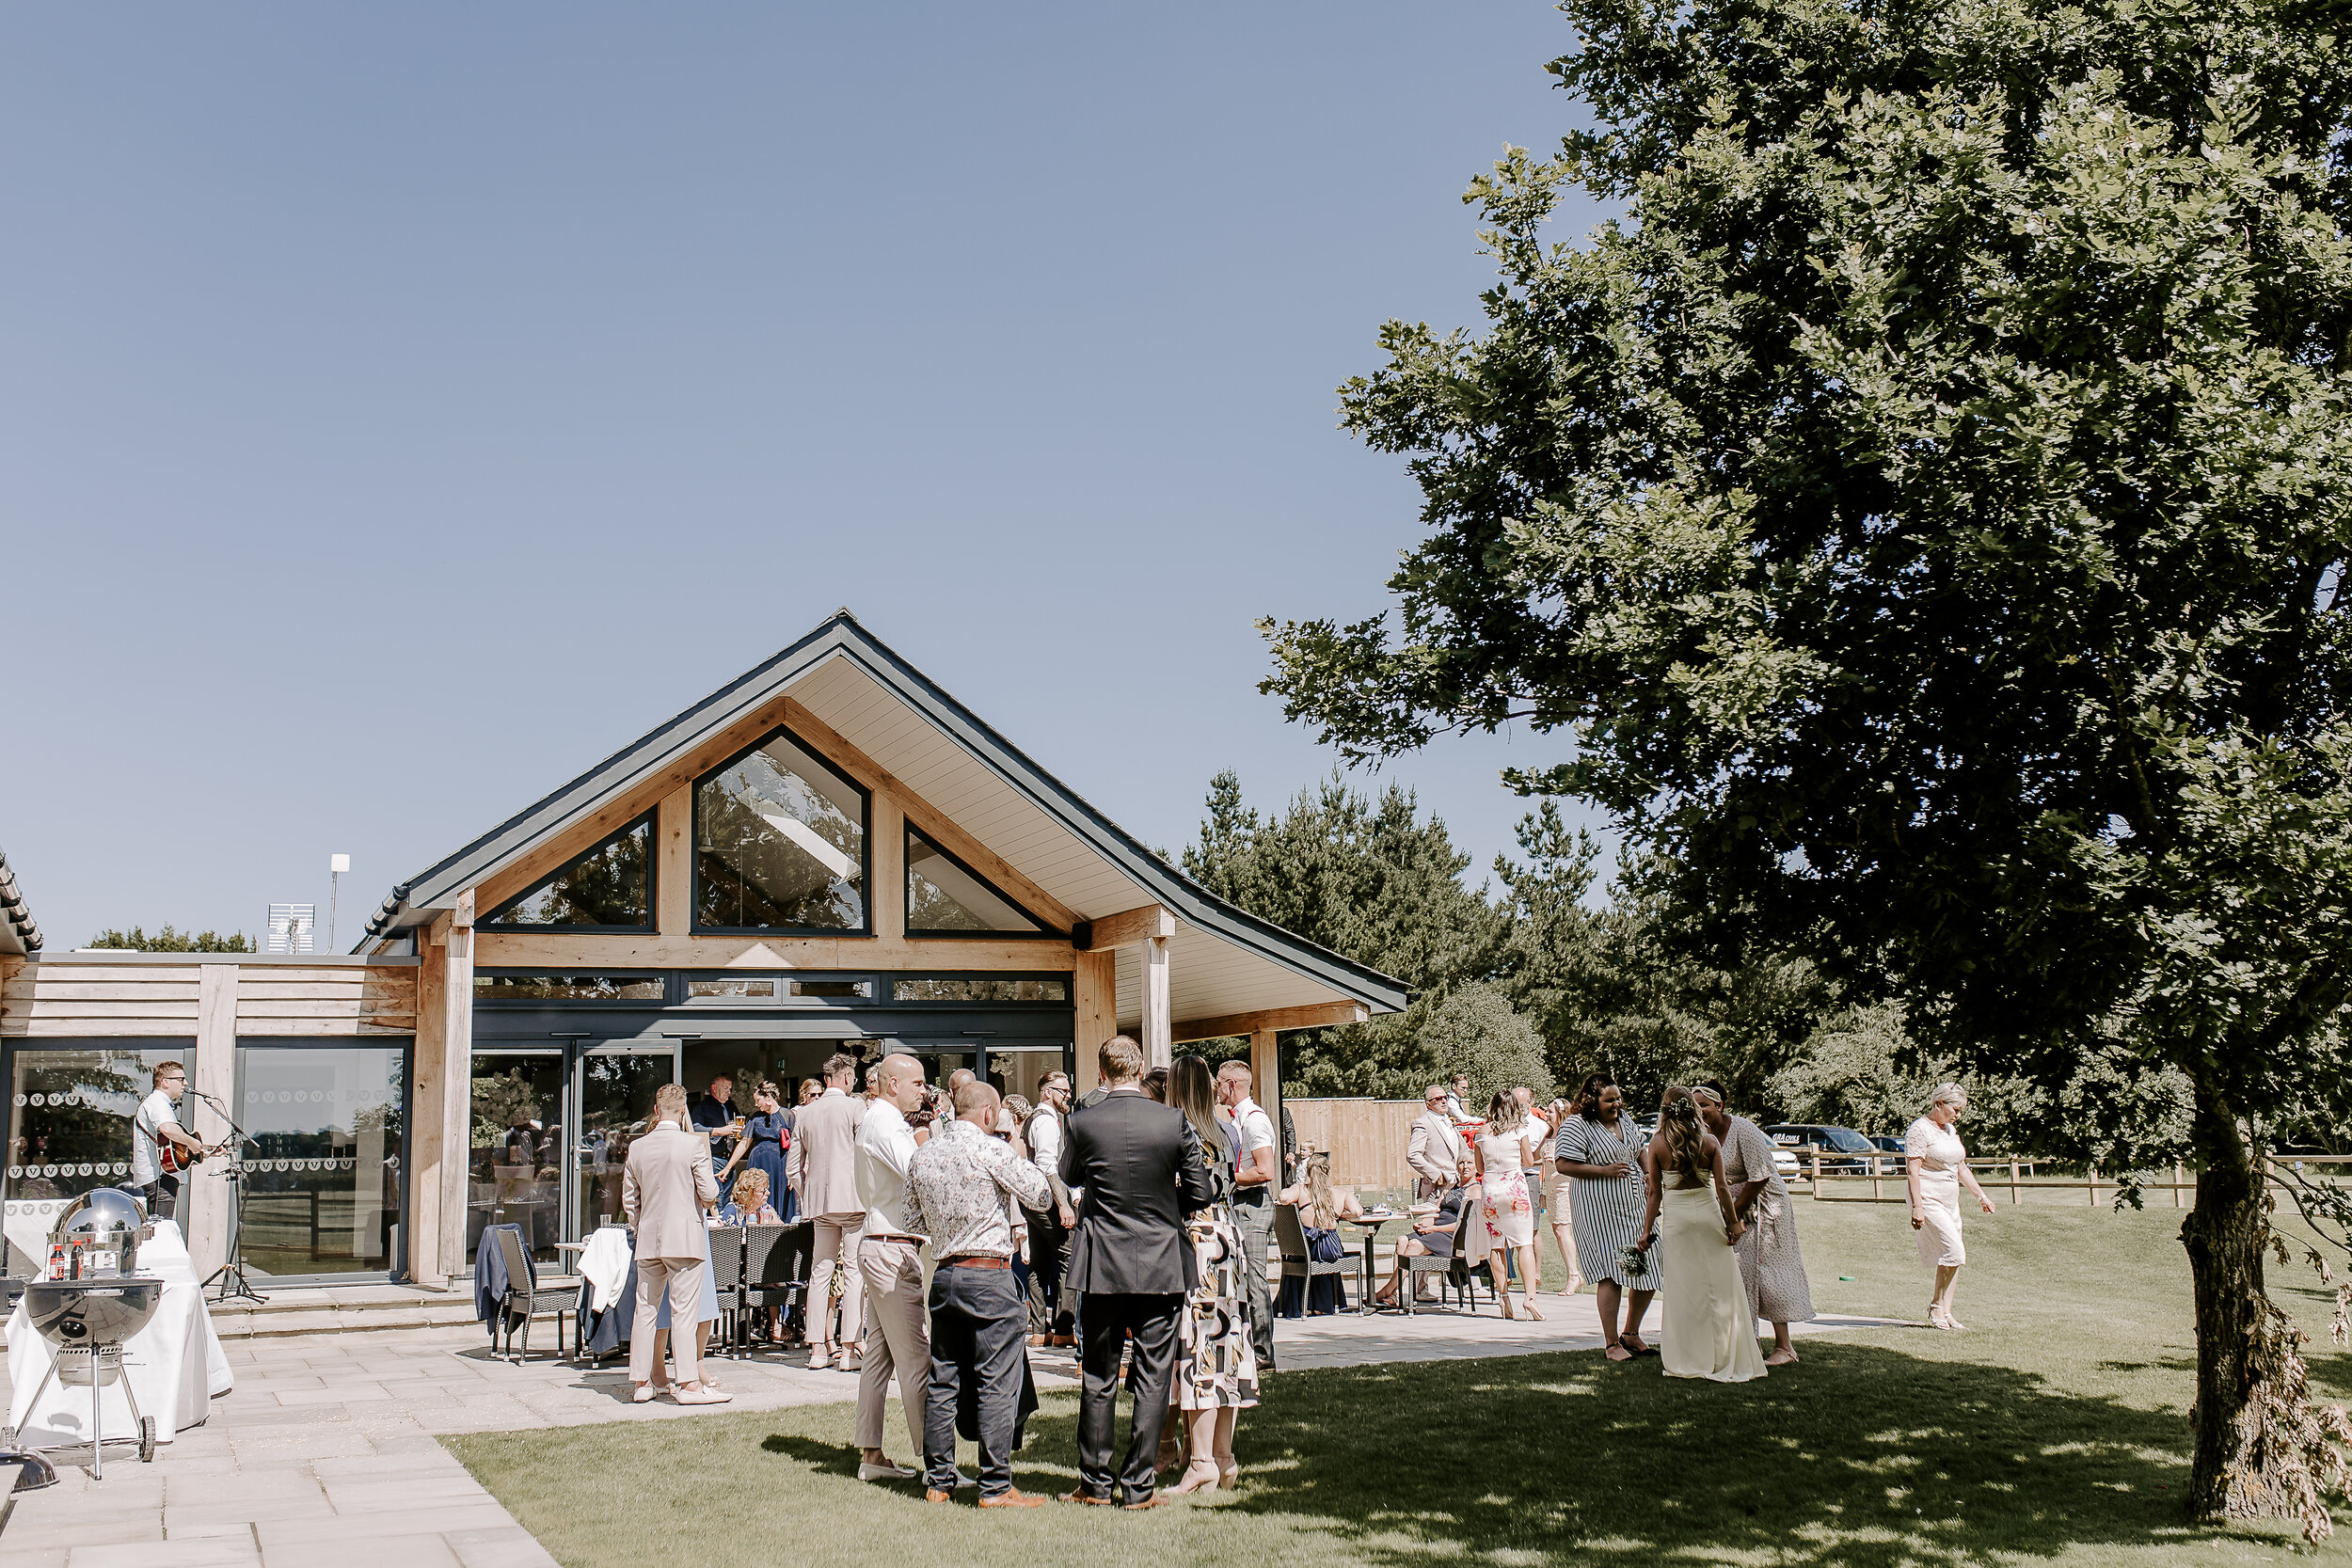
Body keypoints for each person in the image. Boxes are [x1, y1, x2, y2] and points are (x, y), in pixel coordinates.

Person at [1058, 1036, 1213, 1510]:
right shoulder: (1172, 1119)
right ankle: (1139, 1487)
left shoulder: (1081, 1121)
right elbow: (1202, 1191)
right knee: (1153, 1374)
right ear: (1140, 1067)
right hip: (1160, 1259)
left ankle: (1095, 1485)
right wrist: (1170, 1207)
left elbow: (1068, 1176)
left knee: (1098, 1375)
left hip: (1103, 1259)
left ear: (1102, 1072)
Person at [902, 1079, 1053, 1508]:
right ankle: (995, 1485)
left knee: (943, 1379)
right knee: (996, 1380)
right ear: (989, 1114)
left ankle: (939, 1481)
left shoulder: (924, 1153)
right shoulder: (991, 1149)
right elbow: (1041, 1194)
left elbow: (911, 1220)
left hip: (946, 1274)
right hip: (988, 1275)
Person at [1165, 1055, 1256, 1496]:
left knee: (1199, 1348)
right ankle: (1224, 1456)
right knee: (1227, 1346)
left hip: (1194, 1239)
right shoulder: (1227, 1131)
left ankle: (1200, 1461)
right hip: (1227, 1236)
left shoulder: (1176, 1130)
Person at [1636, 1087, 1765, 1383]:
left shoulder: (1656, 1144)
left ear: (1665, 1111)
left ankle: (1689, 1358)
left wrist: (1646, 1231)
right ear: (1693, 1109)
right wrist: (1733, 1224)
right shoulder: (1708, 1142)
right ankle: (1724, 1355)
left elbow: (1654, 1193)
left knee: (1684, 1291)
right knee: (1720, 1288)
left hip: (1677, 1220)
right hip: (1708, 1216)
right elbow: (1721, 1189)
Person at [622, 1083, 729, 1404]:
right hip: (684, 1237)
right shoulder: (692, 1145)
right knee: (684, 1311)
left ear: (656, 1110)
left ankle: (641, 1382)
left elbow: (630, 1200)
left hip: (649, 1239)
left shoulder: (637, 1148)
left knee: (646, 1310)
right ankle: (688, 1384)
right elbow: (710, 1194)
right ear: (683, 1110)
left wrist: (639, 1227)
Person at [1692, 1080, 1812, 1365]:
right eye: (1695, 1106)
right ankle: (1751, 1343)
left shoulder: (1743, 1129)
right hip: (1736, 1206)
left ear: (1719, 1106)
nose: (1700, 1111)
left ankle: (1785, 1348)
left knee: (1771, 1273)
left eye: (1704, 1105)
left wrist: (1732, 1213)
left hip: (1767, 1205)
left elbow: (1760, 1177)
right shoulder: (1703, 1133)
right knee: (1740, 1273)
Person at [854, 1053, 930, 1483]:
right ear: (892, 1084)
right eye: (917, 1083)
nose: (924, 1090)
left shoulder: (877, 1119)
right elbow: (920, 1172)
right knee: (917, 1359)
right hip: (891, 1248)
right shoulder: (885, 1122)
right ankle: (939, 1463)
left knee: (878, 1358)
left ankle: (872, 1455)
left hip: (882, 1242)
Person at [1556, 1072, 1657, 1361]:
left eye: (1618, 1098)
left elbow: (1640, 1149)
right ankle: (1611, 1343)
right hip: (1599, 1208)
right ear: (1592, 1100)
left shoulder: (1624, 1120)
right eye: (1609, 1099)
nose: (1616, 1103)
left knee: (1649, 1264)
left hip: (1634, 1204)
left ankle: (1631, 1334)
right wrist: (1604, 1170)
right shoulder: (1577, 1125)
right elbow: (1562, 1164)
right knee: (1611, 1271)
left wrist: (1648, 1172)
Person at [787, 1052, 868, 1370]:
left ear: (826, 1079)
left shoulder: (805, 1114)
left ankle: (817, 1349)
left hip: (820, 1203)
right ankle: (848, 1350)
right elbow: (865, 1151)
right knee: (853, 1273)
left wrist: (807, 1191)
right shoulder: (855, 1107)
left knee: (819, 1273)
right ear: (847, 1078)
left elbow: (793, 1168)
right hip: (852, 1200)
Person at [1906, 1082, 1994, 1330]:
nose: (1958, 1115)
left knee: (1956, 1255)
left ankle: (1946, 1311)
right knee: (1954, 1251)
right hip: (1928, 1196)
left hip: (1950, 1199)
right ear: (1939, 1104)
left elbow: (1960, 1168)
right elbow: (1913, 1171)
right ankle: (1936, 1306)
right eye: (1955, 1109)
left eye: (1960, 1111)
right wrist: (1917, 1207)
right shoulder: (1919, 1130)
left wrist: (1982, 1197)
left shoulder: (1950, 1131)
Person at [1215, 1060, 1279, 1373]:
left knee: (1255, 1281)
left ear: (1231, 1085)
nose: (1215, 1087)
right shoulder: (1236, 1118)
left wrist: (1227, 1176)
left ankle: (1264, 1352)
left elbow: (1266, 1170)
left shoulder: (1254, 1120)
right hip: (1240, 1204)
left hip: (1253, 1206)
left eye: (1218, 1082)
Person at [1472, 1089, 1545, 1321]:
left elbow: (1480, 1168)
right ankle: (1530, 1298)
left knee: (1497, 1245)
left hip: (1492, 1191)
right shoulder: (1519, 1131)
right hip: (1515, 1188)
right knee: (1524, 1243)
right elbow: (1529, 1161)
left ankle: (1504, 1299)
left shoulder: (1482, 1132)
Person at [1022, 1071, 1076, 1347]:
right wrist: (1063, 1203)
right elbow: (1047, 1165)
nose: (1068, 1094)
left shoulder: (1034, 1118)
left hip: (1031, 1200)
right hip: (1046, 1199)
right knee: (1070, 1256)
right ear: (1047, 1092)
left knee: (1039, 1262)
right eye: (1062, 1090)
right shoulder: (1046, 1122)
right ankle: (1064, 1329)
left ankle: (1038, 1329)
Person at [1275, 1150, 1361, 1316]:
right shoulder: (1340, 1193)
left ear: (1308, 1172)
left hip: (1305, 1248)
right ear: (1327, 1172)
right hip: (1330, 1248)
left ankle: (1300, 1304)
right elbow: (1358, 1211)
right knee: (1323, 1254)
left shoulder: (1301, 1190)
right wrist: (1341, 1214)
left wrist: (1302, 1186)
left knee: (1303, 1252)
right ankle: (1325, 1304)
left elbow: (1283, 1197)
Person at [130, 1060, 210, 1225]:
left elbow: (170, 1145)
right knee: (161, 1230)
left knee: (159, 1228)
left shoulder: (159, 1103)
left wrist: (203, 1150)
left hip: (162, 1175)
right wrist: (191, 1141)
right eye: (181, 1079)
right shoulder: (158, 1102)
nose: (185, 1084)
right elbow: (167, 1128)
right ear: (165, 1082)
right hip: (159, 1178)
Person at [1371, 1190, 1466, 1307]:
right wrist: (1423, 1223)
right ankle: (1394, 1294)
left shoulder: (1475, 1190)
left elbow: (1464, 1224)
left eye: (1468, 1169)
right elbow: (1434, 1211)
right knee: (1402, 1240)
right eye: (1460, 1169)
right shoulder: (1451, 1187)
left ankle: (1387, 1290)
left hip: (1451, 1236)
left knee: (1414, 1244)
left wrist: (1434, 1229)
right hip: (1434, 1231)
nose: (1463, 1170)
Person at [720, 1081, 794, 1223]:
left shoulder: (787, 1115)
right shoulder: (755, 1117)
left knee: (779, 1198)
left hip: (780, 1164)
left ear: (768, 1098)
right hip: (758, 1163)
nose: (755, 1104)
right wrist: (728, 1167)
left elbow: (794, 1145)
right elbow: (744, 1143)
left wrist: (792, 1171)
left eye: (757, 1100)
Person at [1515, 1085, 1549, 1292]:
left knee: (1532, 1227)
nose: (1517, 1108)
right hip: (1510, 1177)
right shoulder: (1506, 1124)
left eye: (1520, 1104)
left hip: (1529, 1178)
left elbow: (1542, 1158)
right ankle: (1509, 1273)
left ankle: (1536, 1273)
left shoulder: (1540, 1126)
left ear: (1530, 1102)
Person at [1406, 1085, 1469, 1200]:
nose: (1444, 1101)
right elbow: (1412, 1155)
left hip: (1457, 1185)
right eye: (1438, 1099)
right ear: (1428, 1104)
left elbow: (1464, 1151)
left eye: (1445, 1097)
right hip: (1437, 1189)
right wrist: (1435, 1174)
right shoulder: (1422, 1123)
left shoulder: (1449, 1122)